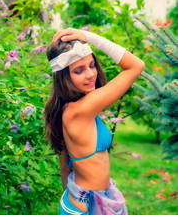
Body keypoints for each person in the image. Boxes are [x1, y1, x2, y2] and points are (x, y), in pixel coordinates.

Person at [45, 28, 145, 215]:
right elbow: (136, 66)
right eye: (78, 71)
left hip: (83, 199)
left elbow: (64, 166)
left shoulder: (66, 109)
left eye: (91, 65)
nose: (90, 75)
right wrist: (89, 37)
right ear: (64, 77)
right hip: (86, 206)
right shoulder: (81, 109)